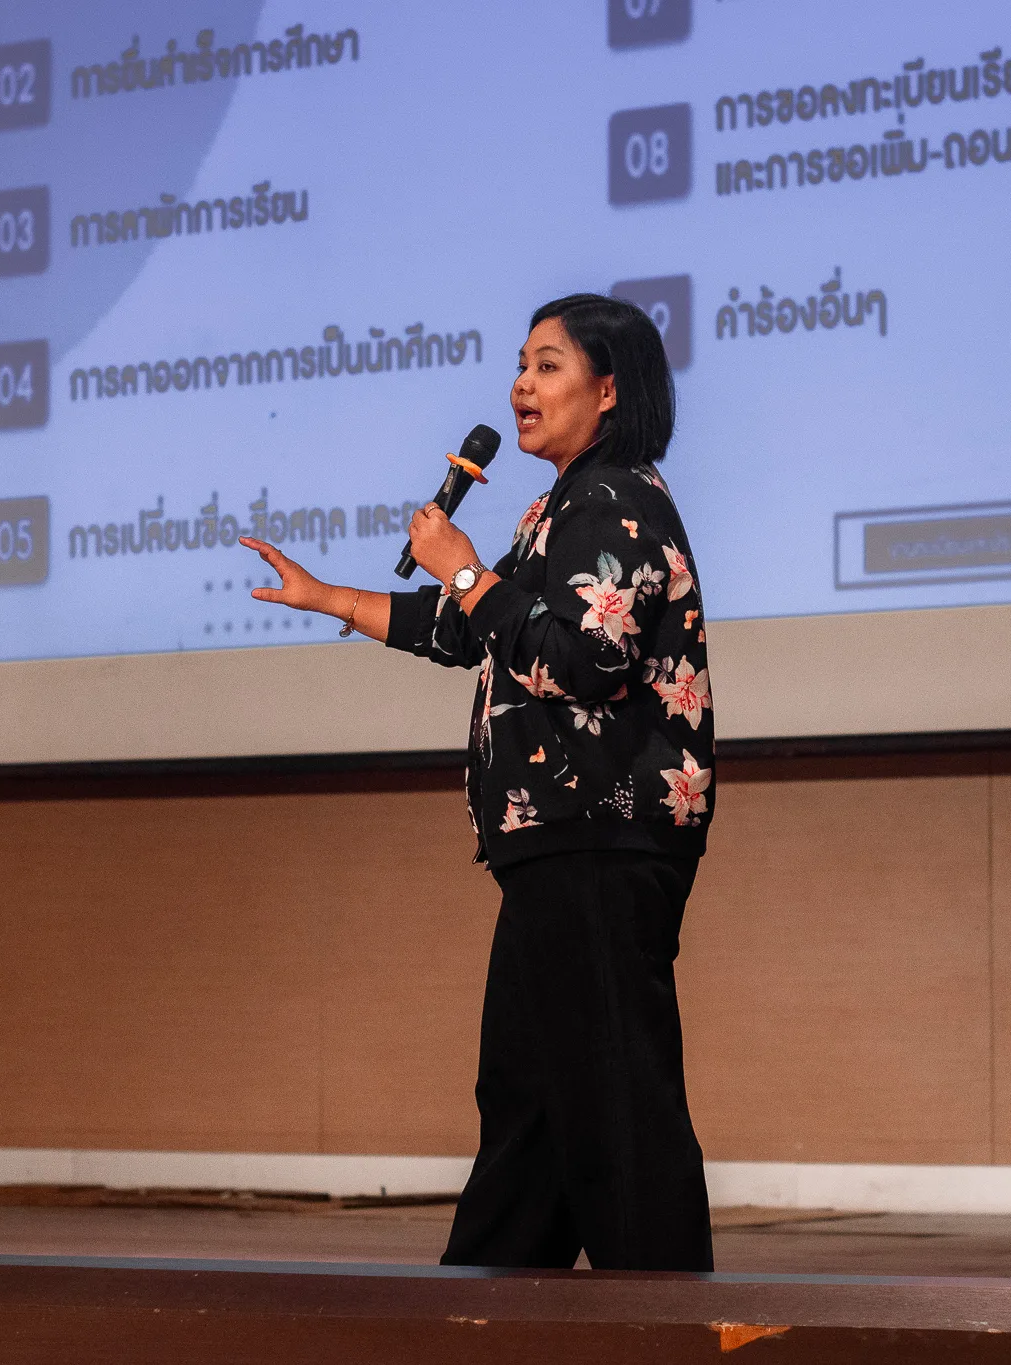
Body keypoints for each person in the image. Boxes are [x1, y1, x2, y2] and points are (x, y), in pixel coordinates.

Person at [241, 293, 714, 1272]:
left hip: (600, 832)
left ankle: (665, 1320)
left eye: (547, 365)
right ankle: (484, 1312)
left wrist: (462, 570)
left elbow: (583, 660)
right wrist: (330, 596)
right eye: (520, 365)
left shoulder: (614, 499)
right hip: (554, 843)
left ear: (609, 389)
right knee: (529, 1108)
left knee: (614, 1105)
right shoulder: (561, 508)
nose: (520, 387)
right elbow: (471, 630)